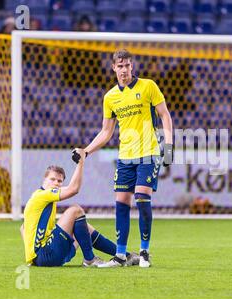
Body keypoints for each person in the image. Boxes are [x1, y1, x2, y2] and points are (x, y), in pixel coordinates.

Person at [73, 49, 173, 268]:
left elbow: (164, 114)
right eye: (120, 66)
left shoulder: (148, 86)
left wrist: (169, 145)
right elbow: (106, 132)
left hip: (149, 153)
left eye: (127, 65)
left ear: (132, 66)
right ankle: (120, 255)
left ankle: (145, 251)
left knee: (142, 197)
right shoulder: (110, 97)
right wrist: (86, 151)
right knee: (121, 203)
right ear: (114, 68)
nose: (124, 70)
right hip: (125, 156)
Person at [21, 148, 139, 267]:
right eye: (52, 179)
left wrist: (31, 257)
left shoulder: (41, 199)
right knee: (75, 210)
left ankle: (125, 255)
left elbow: (23, 228)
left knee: (84, 227)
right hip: (46, 254)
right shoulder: (42, 196)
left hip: (45, 256)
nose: (56, 183)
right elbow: (73, 189)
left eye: (59, 181)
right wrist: (81, 162)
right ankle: (90, 259)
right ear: (44, 180)